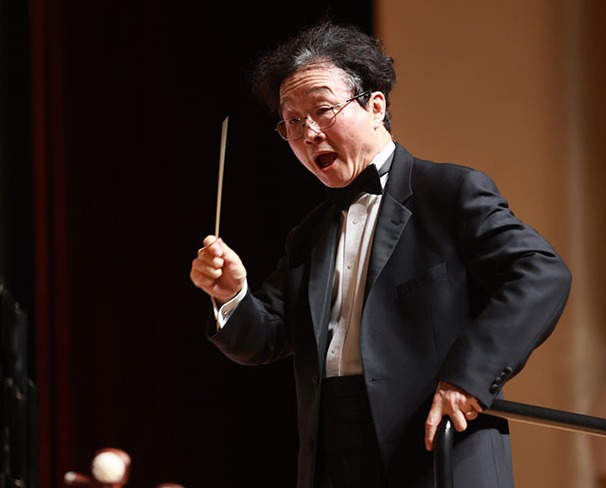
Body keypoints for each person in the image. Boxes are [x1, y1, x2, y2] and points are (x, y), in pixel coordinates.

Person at [190, 20, 571, 488]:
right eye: (293, 121)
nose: (308, 134)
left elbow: (541, 274)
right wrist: (231, 294)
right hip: (333, 452)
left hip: (433, 447)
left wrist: (468, 377)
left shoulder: (447, 192)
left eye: (322, 110)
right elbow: (264, 339)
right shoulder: (309, 233)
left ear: (375, 106)